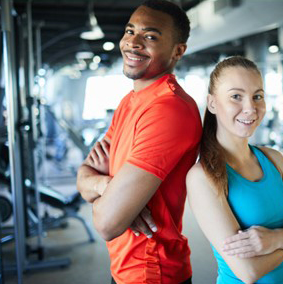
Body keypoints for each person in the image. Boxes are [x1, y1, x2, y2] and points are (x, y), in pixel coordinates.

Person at [76, 1, 202, 283]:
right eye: (129, 31)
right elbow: (84, 176)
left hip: (151, 271)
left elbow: (107, 223)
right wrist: (105, 186)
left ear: (177, 51)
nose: (132, 43)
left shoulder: (168, 109)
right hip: (124, 268)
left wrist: (114, 203)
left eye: (150, 36)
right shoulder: (129, 102)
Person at [186, 56, 283, 284]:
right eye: (236, 96)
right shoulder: (202, 176)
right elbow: (248, 272)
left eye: (257, 96)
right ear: (213, 103)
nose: (250, 108)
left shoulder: (273, 159)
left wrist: (277, 239)